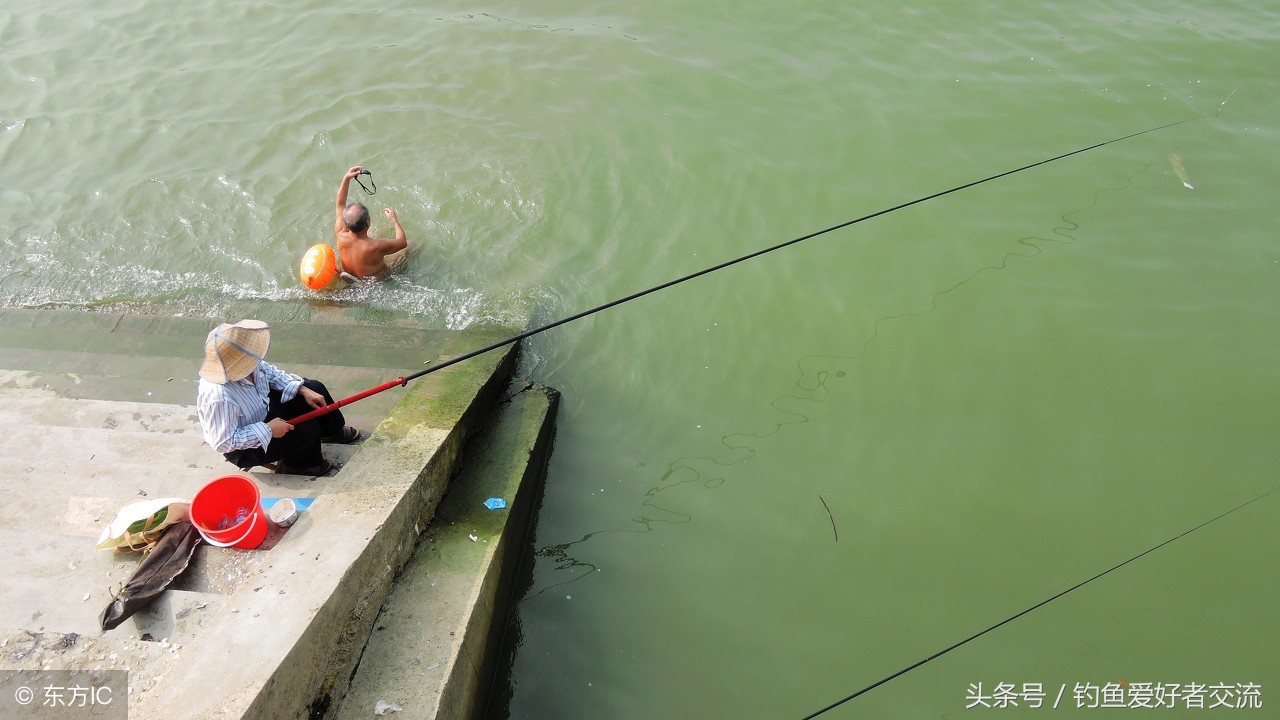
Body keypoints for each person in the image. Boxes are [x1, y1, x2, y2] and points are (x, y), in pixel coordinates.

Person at [196, 319, 360, 475]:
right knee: (305, 429)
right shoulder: (218, 396)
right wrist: (268, 430)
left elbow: (271, 374)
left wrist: (302, 389)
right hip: (247, 446)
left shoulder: (249, 360)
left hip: (265, 409)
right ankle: (300, 466)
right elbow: (223, 442)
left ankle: (331, 431)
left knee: (315, 388)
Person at [335, 165, 410, 279]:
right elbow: (402, 242)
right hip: (372, 283)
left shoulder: (340, 232)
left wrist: (346, 178)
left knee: (375, 233)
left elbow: (340, 203)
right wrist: (395, 221)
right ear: (368, 222)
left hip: (350, 276)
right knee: (410, 246)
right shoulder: (376, 246)